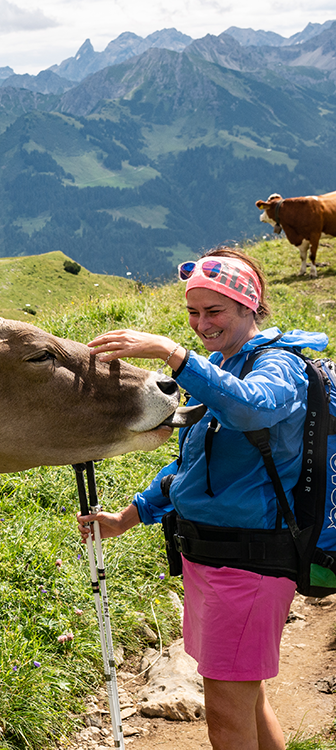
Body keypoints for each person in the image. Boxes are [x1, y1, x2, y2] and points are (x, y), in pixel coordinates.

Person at [80, 246, 328, 750]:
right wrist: (128, 517)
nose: (201, 323)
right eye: (193, 312)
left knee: (225, 711)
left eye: (214, 311)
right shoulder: (221, 365)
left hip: (252, 562)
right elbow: (192, 467)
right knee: (246, 698)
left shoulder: (280, 367)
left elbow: (252, 411)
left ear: (249, 307)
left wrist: (174, 355)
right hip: (212, 558)